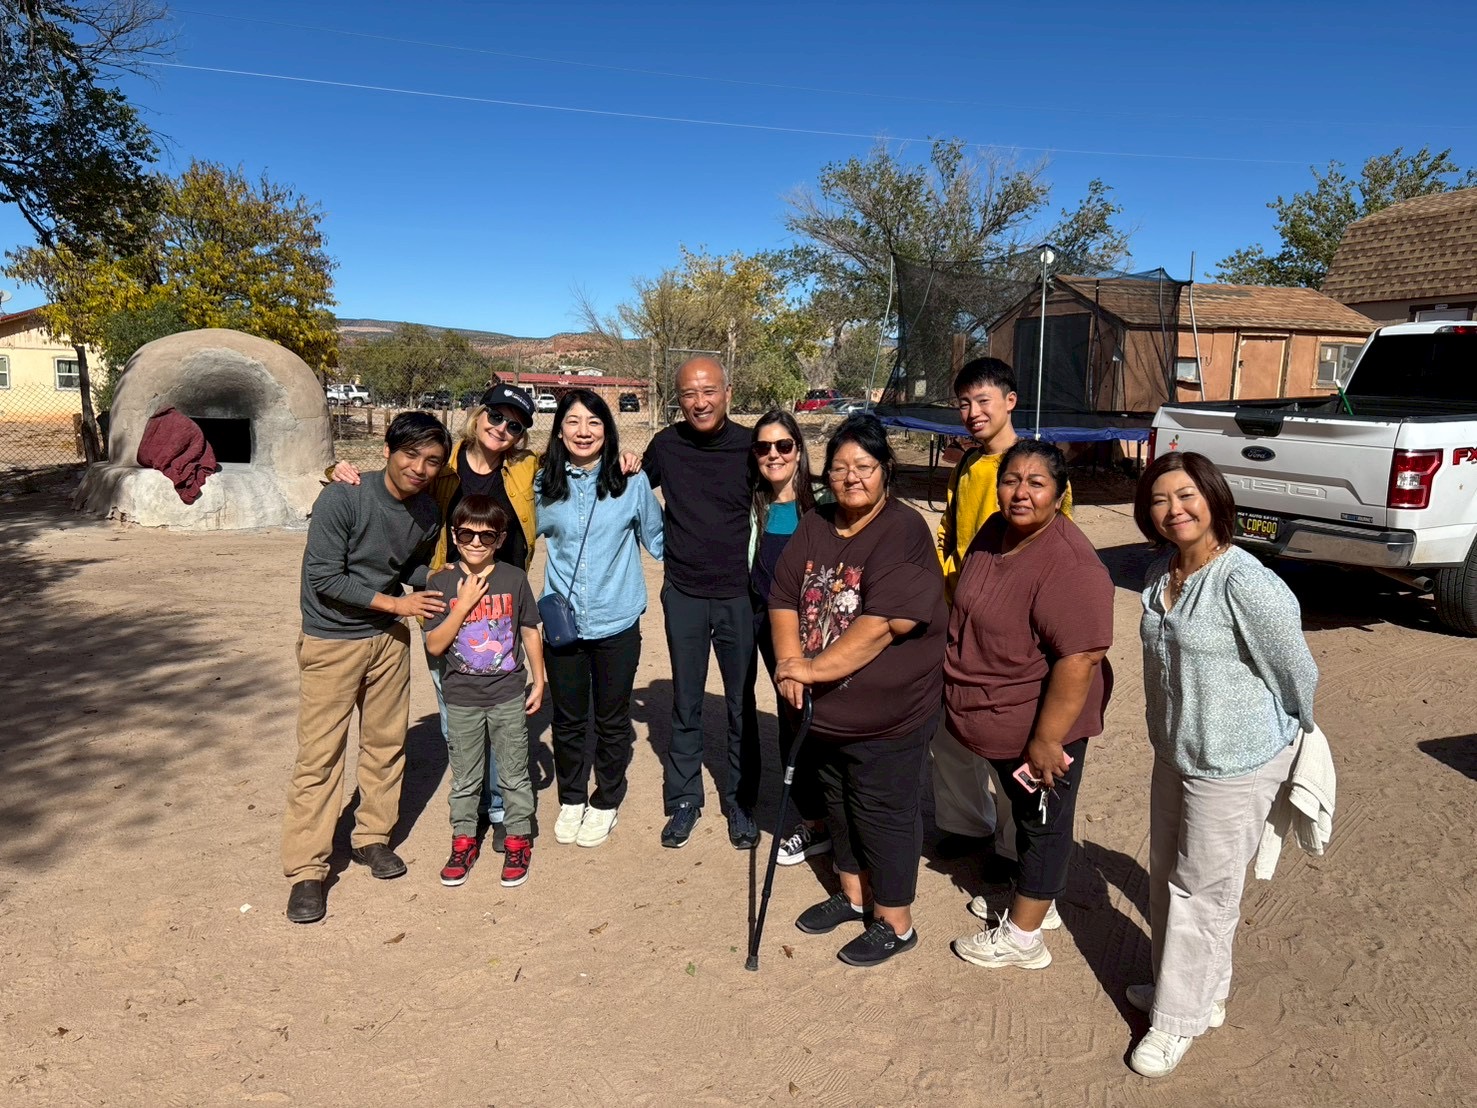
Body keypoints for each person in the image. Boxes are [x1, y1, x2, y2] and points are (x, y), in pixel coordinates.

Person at [1126, 451, 1318, 1078]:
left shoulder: (1245, 581)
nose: (1173, 510)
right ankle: (1196, 992)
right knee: (1167, 876)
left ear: (1213, 499)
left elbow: (1296, 671)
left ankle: (1176, 1020)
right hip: (1176, 752)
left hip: (1234, 761)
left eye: (1186, 496)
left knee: (1202, 891)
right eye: (1159, 499)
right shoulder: (1160, 575)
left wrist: (1286, 732)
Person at [770, 415, 947, 967]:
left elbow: (883, 624)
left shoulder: (904, 530)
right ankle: (852, 895)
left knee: (883, 810)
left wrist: (810, 670)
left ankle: (894, 920)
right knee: (839, 804)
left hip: (888, 715)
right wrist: (787, 662)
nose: (851, 479)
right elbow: (781, 597)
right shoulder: (815, 523)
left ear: (885, 472)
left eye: (864, 468)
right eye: (840, 468)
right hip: (826, 712)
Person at [332, 383, 540, 848]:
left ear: (522, 434)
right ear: (479, 414)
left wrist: (626, 460)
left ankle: (501, 807)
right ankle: (473, 809)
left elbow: (580, 467)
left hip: (502, 601)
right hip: (448, 602)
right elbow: (394, 474)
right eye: (496, 416)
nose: (501, 428)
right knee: (457, 712)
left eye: (515, 424)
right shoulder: (441, 463)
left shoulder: (527, 468)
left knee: (503, 712)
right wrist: (335, 469)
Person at [944, 439, 1113, 971]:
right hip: (997, 712)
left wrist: (1047, 739)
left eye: (1036, 483)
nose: (1021, 493)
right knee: (1024, 814)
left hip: (1044, 721)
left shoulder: (1068, 561)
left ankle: (1024, 937)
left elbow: (1081, 656)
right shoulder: (997, 532)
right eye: (1012, 480)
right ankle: (1037, 904)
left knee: (1043, 820)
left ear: (1060, 494)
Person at [283, 411, 452, 924]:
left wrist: (445, 578)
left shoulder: (426, 512)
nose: (419, 468)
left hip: (387, 642)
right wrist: (401, 605)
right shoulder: (344, 496)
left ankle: (371, 837)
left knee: (385, 745)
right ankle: (307, 870)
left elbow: (407, 567)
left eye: (432, 461)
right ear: (388, 449)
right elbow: (325, 578)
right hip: (333, 640)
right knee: (320, 755)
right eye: (410, 455)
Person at [931, 357, 1076, 862]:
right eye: (964, 403)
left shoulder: (1036, 466)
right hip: (958, 613)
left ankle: (1014, 849)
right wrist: (946, 578)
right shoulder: (969, 465)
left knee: (1008, 733)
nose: (972, 412)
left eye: (983, 401)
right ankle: (967, 822)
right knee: (949, 727)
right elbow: (950, 531)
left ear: (1010, 402)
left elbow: (1053, 547)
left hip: (1011, 626)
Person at [538, 390, 664, 849]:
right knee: (569, 718)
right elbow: (504, 529)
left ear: (607, 431)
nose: (583, 431)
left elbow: (661, 540)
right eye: (572, 422)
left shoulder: (631, 482)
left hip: (616, 621)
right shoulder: (542, 485)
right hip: (562, 623)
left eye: (593, 422)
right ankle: (572, 797)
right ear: (559, 430)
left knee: (612, 719)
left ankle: (606, 798)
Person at [642, 357, 759, 850]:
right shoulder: (666, 446)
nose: (700, 401)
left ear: (728, 393)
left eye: (709, 391)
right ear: (679, 399)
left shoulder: (753, 446)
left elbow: (792, 494)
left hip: (740, 594)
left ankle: (741, 800)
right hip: (685, 592)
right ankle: (684, 799)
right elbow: (622, 488)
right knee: (687, 702)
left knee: (740, 703)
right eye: (689, 393)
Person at [423, 495, 545, 888]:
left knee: (512, 772)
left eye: (486, 535)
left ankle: (517, 837)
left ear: (500, 538)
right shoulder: (440, 582)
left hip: (507, 692)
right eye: (466, 534)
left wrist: (540, 679)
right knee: (466, 777)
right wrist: (463, 605)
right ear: (454, 536)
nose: (475, 542)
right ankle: (463, 839)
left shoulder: (512, 578)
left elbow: (528, 629)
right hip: (461, 698)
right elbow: (434, 645)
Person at [746, 410, 831, 867]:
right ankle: (814, 823)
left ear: (798, 449)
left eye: (783, 445)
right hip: (770, 631)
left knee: (832, 721)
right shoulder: (753, 503)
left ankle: (844, 821)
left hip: (823, 631)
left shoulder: (822, 501)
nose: (773, 455)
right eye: (763, 447)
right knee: (791, 717)